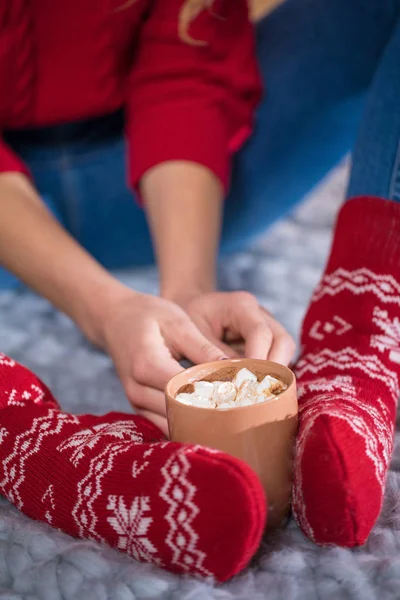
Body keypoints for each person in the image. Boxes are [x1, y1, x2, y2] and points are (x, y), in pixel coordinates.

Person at [1, 0, 400, 580]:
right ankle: (34, 447)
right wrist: (104, 307)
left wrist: (188, 290)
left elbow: (185, 62)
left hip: (149, 168)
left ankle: (360, 335)